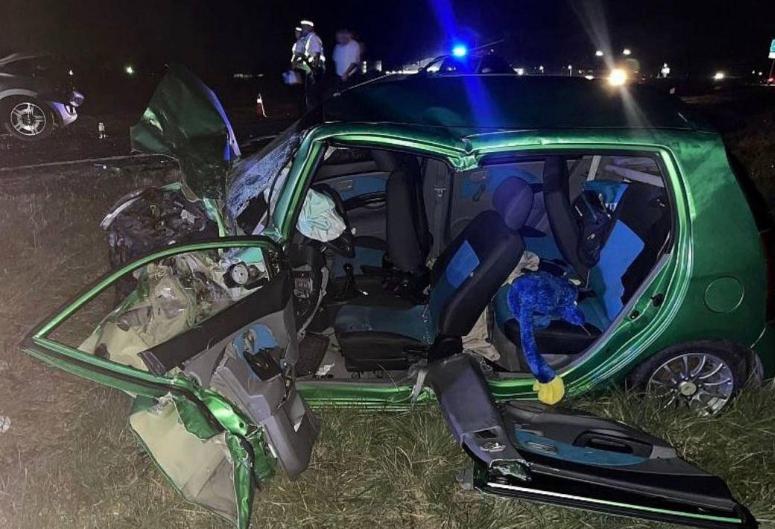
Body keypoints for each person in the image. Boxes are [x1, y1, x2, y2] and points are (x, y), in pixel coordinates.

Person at [298, 19, 325, 110]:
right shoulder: (308, 39)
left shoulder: (313, 38)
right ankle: (313, 112)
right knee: (311, 94)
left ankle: (315, 114)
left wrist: (314, 70)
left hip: (315, 68)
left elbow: (317, 54)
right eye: (302, 27)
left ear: (310, 28)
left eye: (304, 27)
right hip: (311, 68)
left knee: (314, 94)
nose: (302, 29)